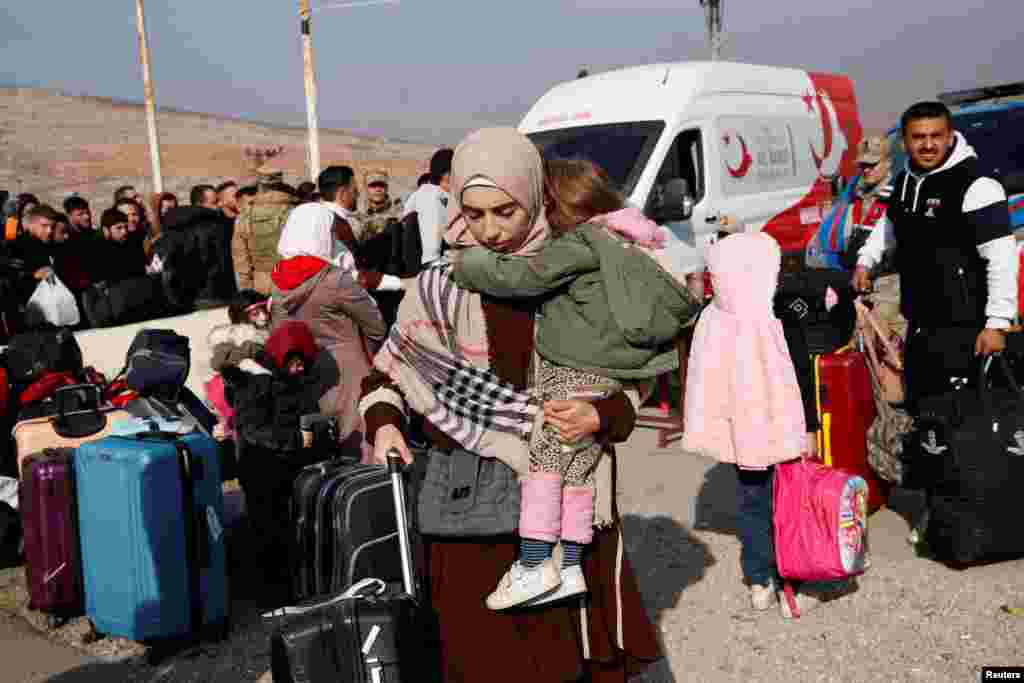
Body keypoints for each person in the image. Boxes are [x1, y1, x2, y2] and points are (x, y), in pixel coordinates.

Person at [361, 128, 661, 681]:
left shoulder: (576, 276)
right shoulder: (436, 289)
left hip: (560, 499)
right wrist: (383, 425)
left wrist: (601, 414)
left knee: (559, 662)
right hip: (468, 519)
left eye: (506, 211)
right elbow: (387, 377)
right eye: (474, 214)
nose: (491, 231)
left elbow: (635, 381)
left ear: (535, 199)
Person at [450, 156, 703, 610]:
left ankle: (531, 565)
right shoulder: (629, 236)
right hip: (604, 374)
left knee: (546, 461)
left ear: (553, 204)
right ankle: (568, 567)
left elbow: (524, 277)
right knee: (577, 473)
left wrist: (466, 265)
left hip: (571, 371)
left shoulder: (584, 240)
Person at [682, 232, 845, 618]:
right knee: (790, 502)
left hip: (745, 430)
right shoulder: (778, 315)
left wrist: (719, 427)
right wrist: (809, 427)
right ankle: (793, 575)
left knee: (754, 502)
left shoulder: (714, 317)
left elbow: (704, 379)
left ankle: (763, 578)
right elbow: (803, 372)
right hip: (780, 425)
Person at [852, 101, 1017, 410]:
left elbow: (1001, 257)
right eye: (918, 137)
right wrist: (866, 260)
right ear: (904, 141)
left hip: (967, 327)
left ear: (950, 135)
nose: (928, 145)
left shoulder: (977, 184)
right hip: (920, 323)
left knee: (965, 419)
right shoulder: (905, 181)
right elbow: (890, 225)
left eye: (936, 135)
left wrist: (996, 323)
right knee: (925, 414)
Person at [221, 319, 325, 603]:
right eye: (295, 362)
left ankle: (286, 594)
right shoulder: (257, 379)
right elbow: (253, 428)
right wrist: (294, 440)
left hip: (277, 467)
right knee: (269, 536)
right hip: (261, 468)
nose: (300, 369)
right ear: (282, 355)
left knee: (281, 533)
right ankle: (272, 600)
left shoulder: (278, 378)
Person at [270, 202, 387, 454]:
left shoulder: (278, 282)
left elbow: (278, 333)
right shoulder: (334, 278)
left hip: (307, 374)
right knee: (361, 447)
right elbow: (376, 325)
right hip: (351, 372)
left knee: (323, 448)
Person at [808, 135, 895, 271]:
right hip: (851, 268)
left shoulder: (898, 193)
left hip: (883, 272)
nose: (866, 170)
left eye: (872, 164)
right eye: (862, 165)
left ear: (888, 162)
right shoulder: (855, 189)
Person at [157, 184, 238, 307]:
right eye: (215, 202)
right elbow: (222, 262)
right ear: (200, 204)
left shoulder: (176, 226)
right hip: (216, 295)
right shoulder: (212, 227)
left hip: (190, 297)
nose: (220, 205)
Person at [232, 168, 299, 294]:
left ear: (260, 185)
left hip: (261, 287)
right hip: (294, 285)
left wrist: (247, 292)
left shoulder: (245, 215)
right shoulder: (297, 211)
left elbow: (241, 262)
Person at [402, 148, 453, 266]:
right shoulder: (430, 193)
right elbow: (432, 232)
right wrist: (432, 260)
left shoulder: (444, 195)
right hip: (426, 263)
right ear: (446, 173)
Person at [91, 207, 148, 284]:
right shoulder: (97, 253)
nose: (124, 232)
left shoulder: (133, 245)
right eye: (119, 228)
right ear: (105, 230)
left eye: (125, 227)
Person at [357, 169, 403, 241]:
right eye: (373, 186)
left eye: (381, 185)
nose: (378, 189)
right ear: (366, 188)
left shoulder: (398, 212)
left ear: (387, 188)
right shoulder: (359, 213)